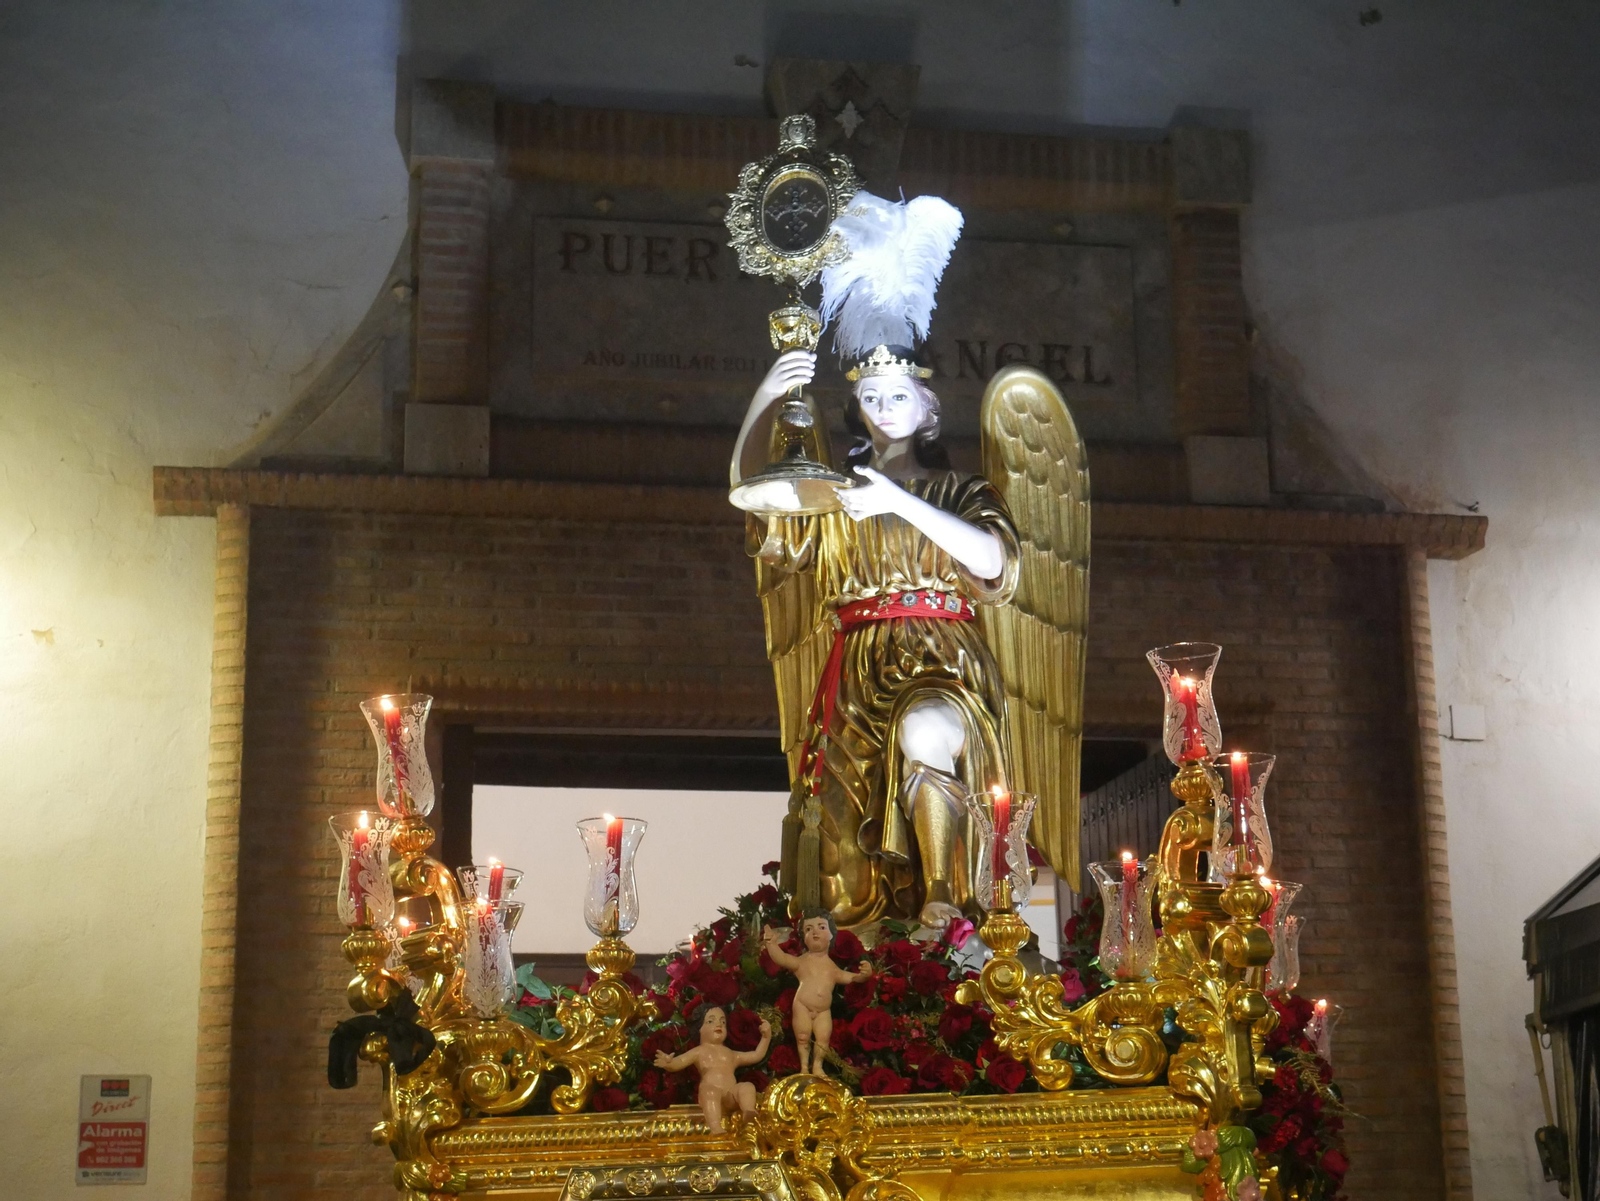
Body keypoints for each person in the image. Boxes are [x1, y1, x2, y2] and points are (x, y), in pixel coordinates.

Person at [733, 344, 1020, 929]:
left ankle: (943, 892)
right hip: (857, 670)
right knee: (840, 888)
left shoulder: (962, 490)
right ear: (856, 410)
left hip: (941, 657)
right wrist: (765, 396)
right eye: (870, 398)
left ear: (927, 410)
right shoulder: (833, 500)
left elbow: (992, 559)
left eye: (898, 396)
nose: (883, 408)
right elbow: (755, 495)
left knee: (925, 728)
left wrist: (897, 501)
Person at [761, 910, 873, 1075]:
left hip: (823, 1010)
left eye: (821, 927)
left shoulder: (831, 967)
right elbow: (782, 959)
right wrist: (771, 944)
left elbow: (849, 977)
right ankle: (804, 1067)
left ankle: (817, 1066)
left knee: (823, 1039)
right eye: (808, 929)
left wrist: (865, 975)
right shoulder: (802, 962)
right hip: (803, 1005)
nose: (814, 932)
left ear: (831, 934)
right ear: (803, 938)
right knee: (803, 1037)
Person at [652, 1005, 772, 1134]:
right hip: (711, 1096)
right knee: (709, 1090)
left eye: (723, 1021)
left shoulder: (731, 1054)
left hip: (730, 1096)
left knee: (747, 1087)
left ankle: (748, 1111)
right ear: (699, 1029)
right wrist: (668, 1063)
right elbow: (679, 1062)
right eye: (711, 1021)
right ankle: (715, 1127)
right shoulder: (699, 1052)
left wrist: (766, 1038)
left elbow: (756, 1055)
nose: (718, 1024)